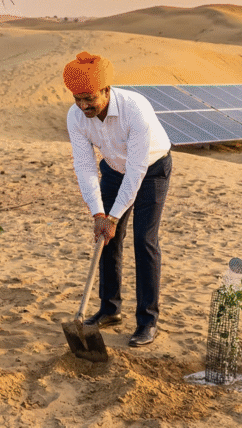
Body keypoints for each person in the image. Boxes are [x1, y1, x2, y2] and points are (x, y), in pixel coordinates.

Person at [63, 51, 173, 347]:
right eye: (77, 98)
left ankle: (147, 320)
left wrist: (114, 216)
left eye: (89, 98)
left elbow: (137, 171)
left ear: (106, 90)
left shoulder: (135, 109)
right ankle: (110, 309)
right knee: (106, 238)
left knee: (144, 240)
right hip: (113, 168)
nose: (84, 106)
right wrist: (99, 215)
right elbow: (84, 166)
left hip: (151, 169)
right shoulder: (76, 117)